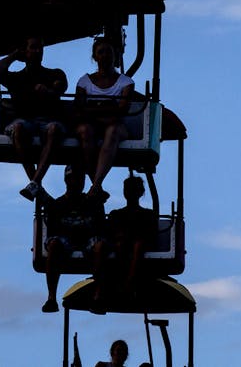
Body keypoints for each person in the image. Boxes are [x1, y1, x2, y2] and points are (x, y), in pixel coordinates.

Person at [0, 35, 67, 201]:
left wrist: (48, 92)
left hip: (47, 121)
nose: (38, 51)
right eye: (33, 47)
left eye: (40, 48)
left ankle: (34, 183)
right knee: (18, 128)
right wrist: (13, 56)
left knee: (54, 129)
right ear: (24, 52)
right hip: (24, 121)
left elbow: (60, 87)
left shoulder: (54, 73)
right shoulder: (16, 78)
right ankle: (36, 184)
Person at [74, 37, 134, 203]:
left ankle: (95, 185)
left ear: (115, 55)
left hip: (114, 125)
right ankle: (96, 186)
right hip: (92, 125)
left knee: (112, 131)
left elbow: (122, 110)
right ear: (95, 57)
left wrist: (93, 108)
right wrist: (109, 107)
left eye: (109, 51)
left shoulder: (126, 82)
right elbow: (78, 109)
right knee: (85, 131)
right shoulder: (85, 81)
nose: (105, 55)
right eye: (101, 52)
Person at [41, 164, 105, 313]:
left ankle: (98, 297)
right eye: (74, 178)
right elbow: (52, 232)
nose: (77, 182)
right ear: (67, 180)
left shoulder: (93, 203)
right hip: (66, 242)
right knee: (55, 244)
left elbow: (101, 227)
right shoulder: (57, 205)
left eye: (80, 179)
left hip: (88, 241)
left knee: (100, 246)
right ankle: (51, 298)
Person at [97, 175, 159, 305]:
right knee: (121, 244)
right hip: (121, 245)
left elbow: (150, 235)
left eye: (133, 189)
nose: (130, 193)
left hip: (137, 245)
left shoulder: (148, 215)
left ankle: (128, 283)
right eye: (128, 189)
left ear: (140, 192)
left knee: (137, 245)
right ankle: (122, 283)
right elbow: (109, 234)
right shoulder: (116, 215)